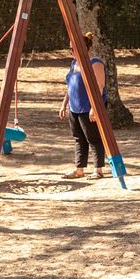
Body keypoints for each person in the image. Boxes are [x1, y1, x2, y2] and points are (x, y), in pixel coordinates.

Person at [58, 32, 108, 179]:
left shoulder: (95, 63)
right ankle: (79, 170)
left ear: (84, 48)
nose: (71, 51)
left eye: (73, 48)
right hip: (74, 107)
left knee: (93, 138)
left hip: (89, 108)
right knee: (78, 138)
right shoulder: (74, 64)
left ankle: (98, 170)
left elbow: (100, 86)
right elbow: (70, 86)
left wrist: (95, 107)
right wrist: (63, 105)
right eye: (70, 48)